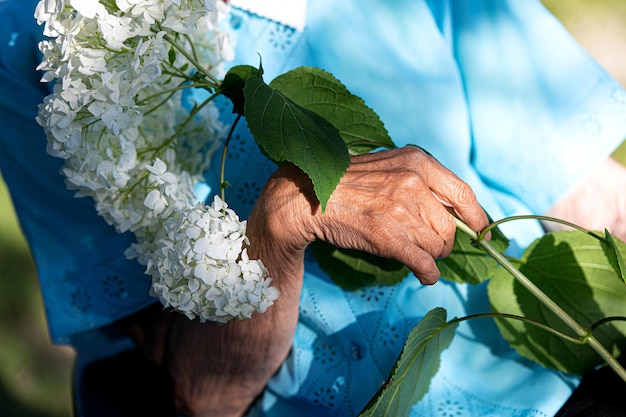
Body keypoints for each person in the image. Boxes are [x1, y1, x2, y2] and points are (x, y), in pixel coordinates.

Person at [2, 1, 626, 417]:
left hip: (563, 371)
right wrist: (280, 223)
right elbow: (203, 394)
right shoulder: (34, 34)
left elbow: (588, 192)